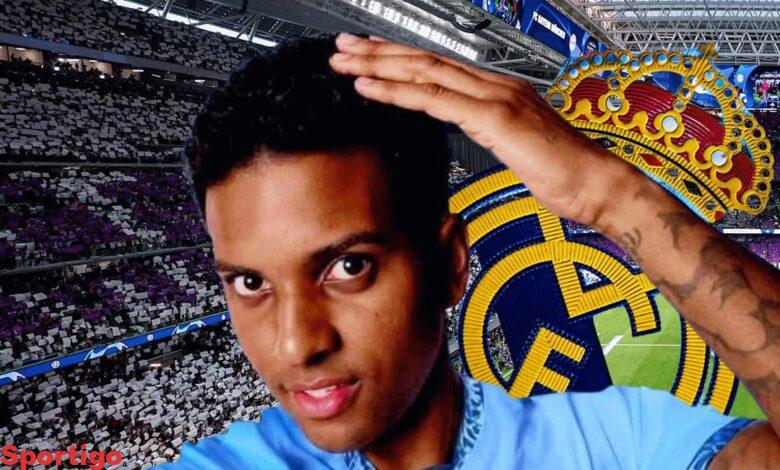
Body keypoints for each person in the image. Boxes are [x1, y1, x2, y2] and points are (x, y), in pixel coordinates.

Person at [159, 34, 780, 469]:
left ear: (450, 265)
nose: (296, 344)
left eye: (349, 267)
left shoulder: (619, 442)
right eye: (250, 283)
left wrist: (613, 196)